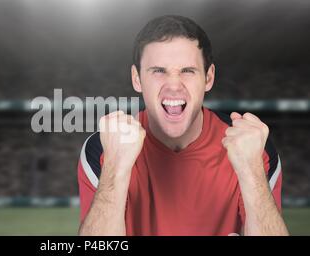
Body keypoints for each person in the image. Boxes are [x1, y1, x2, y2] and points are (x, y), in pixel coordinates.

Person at [77, 15, 289, 236]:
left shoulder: (252, 147)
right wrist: (115, 167)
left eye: (187, 71)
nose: (174, 86)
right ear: (137, 79)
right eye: (159, 71)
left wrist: (251, 170)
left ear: (208, 78)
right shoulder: (104, 147)